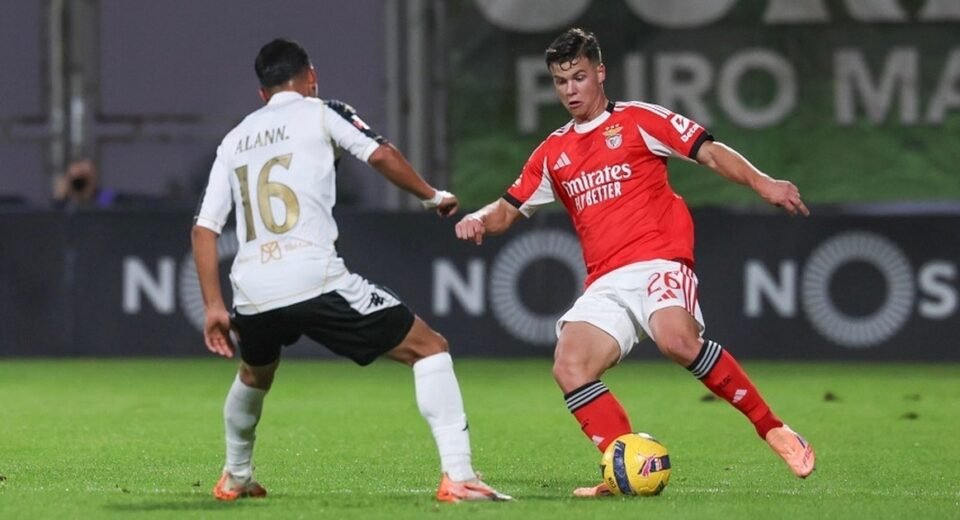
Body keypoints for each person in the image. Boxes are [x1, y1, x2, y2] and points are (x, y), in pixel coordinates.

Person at [454, 28, 815, 496]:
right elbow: (508, 207)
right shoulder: (554, 152)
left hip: (660, 260)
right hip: (606, 280)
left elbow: (708, 152)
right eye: (560, 82)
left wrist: (763, 183)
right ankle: (619, 465)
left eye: (579, 77)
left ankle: (774, 429)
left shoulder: (639, 119)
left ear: (600, 73)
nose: (570, 90)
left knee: (677, 341)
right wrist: (479, 218)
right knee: (570, 366)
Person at [192, 38, 510, 503]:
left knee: (255, 374)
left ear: (262, 93)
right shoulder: (323, 111)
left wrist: (213, 306)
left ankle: (236, 476)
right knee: (430, 348)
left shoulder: (234, 138)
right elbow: (379, 154)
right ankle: (459, 476)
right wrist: (432, 196)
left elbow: (204, 229)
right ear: (311, 77)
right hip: (313, 278)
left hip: (252, 290)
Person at [52, 158, 118, 210]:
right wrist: (59, 199)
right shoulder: (64, 204)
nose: (81, 182)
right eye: (77, 179)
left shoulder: (105, 197)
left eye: (85, 176)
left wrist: (88, 195)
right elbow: (55, 222)